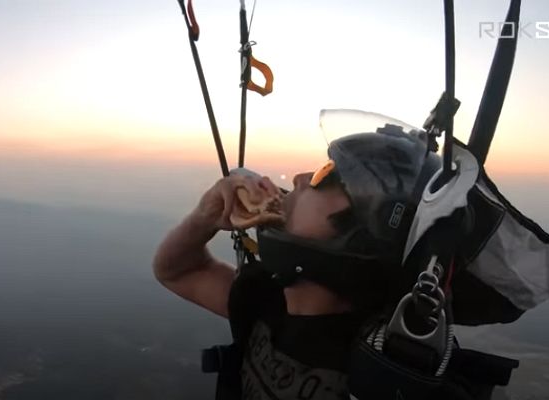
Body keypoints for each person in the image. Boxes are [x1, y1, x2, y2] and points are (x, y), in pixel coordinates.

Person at [154, 123, 446, 399]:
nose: (300, 178)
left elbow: (177, 272)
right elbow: (177, 270)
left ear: (364, 234)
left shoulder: (382, 372)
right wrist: (205, 216)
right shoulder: (265, 299)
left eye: (327, 175)